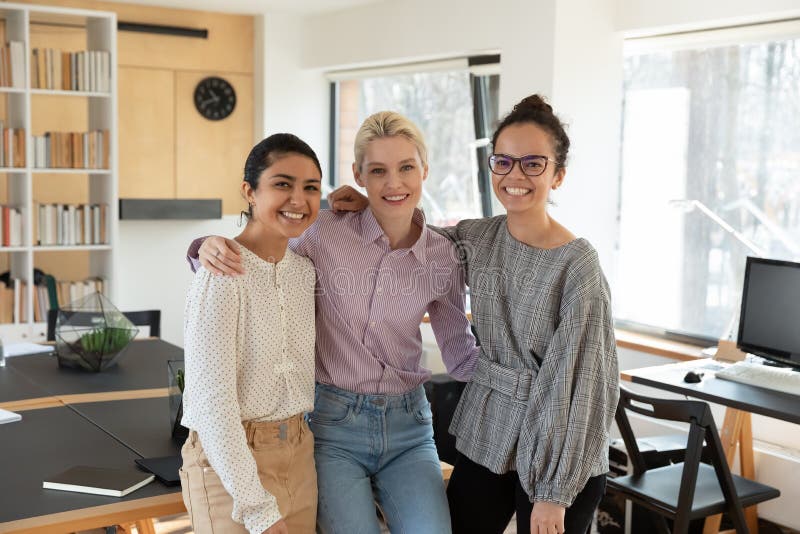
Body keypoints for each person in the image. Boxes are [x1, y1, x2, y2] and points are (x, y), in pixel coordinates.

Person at [329, 95, 619, 534]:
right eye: (503, 162)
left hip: (560, 449)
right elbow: (407, 234)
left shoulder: (578, 267)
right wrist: (364, 203)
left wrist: (553, 494)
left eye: (533, 164)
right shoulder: (476, 238)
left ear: (557, 175)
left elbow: (587, 391)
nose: (515, 175)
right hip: (492, 432)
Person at [190, 111, 479, 534]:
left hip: (410, 427)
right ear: (358, 175)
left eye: (406, 168)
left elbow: (460, 356)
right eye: (378, 170)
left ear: (425, 171)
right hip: (332, 425)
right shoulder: (323, 231)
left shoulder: (442, 256)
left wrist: (531, 383)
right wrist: (204, 247)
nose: (393, 183)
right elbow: (263, 244)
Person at [181, 133, 322, 534]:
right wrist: (256, 506)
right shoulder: (222, 273)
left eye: (311, 188)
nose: (299, 200)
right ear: (249, 192)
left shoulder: (304, 271)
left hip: (299, 453)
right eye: (282, 184)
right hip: (229, 462)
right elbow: (212, 403)